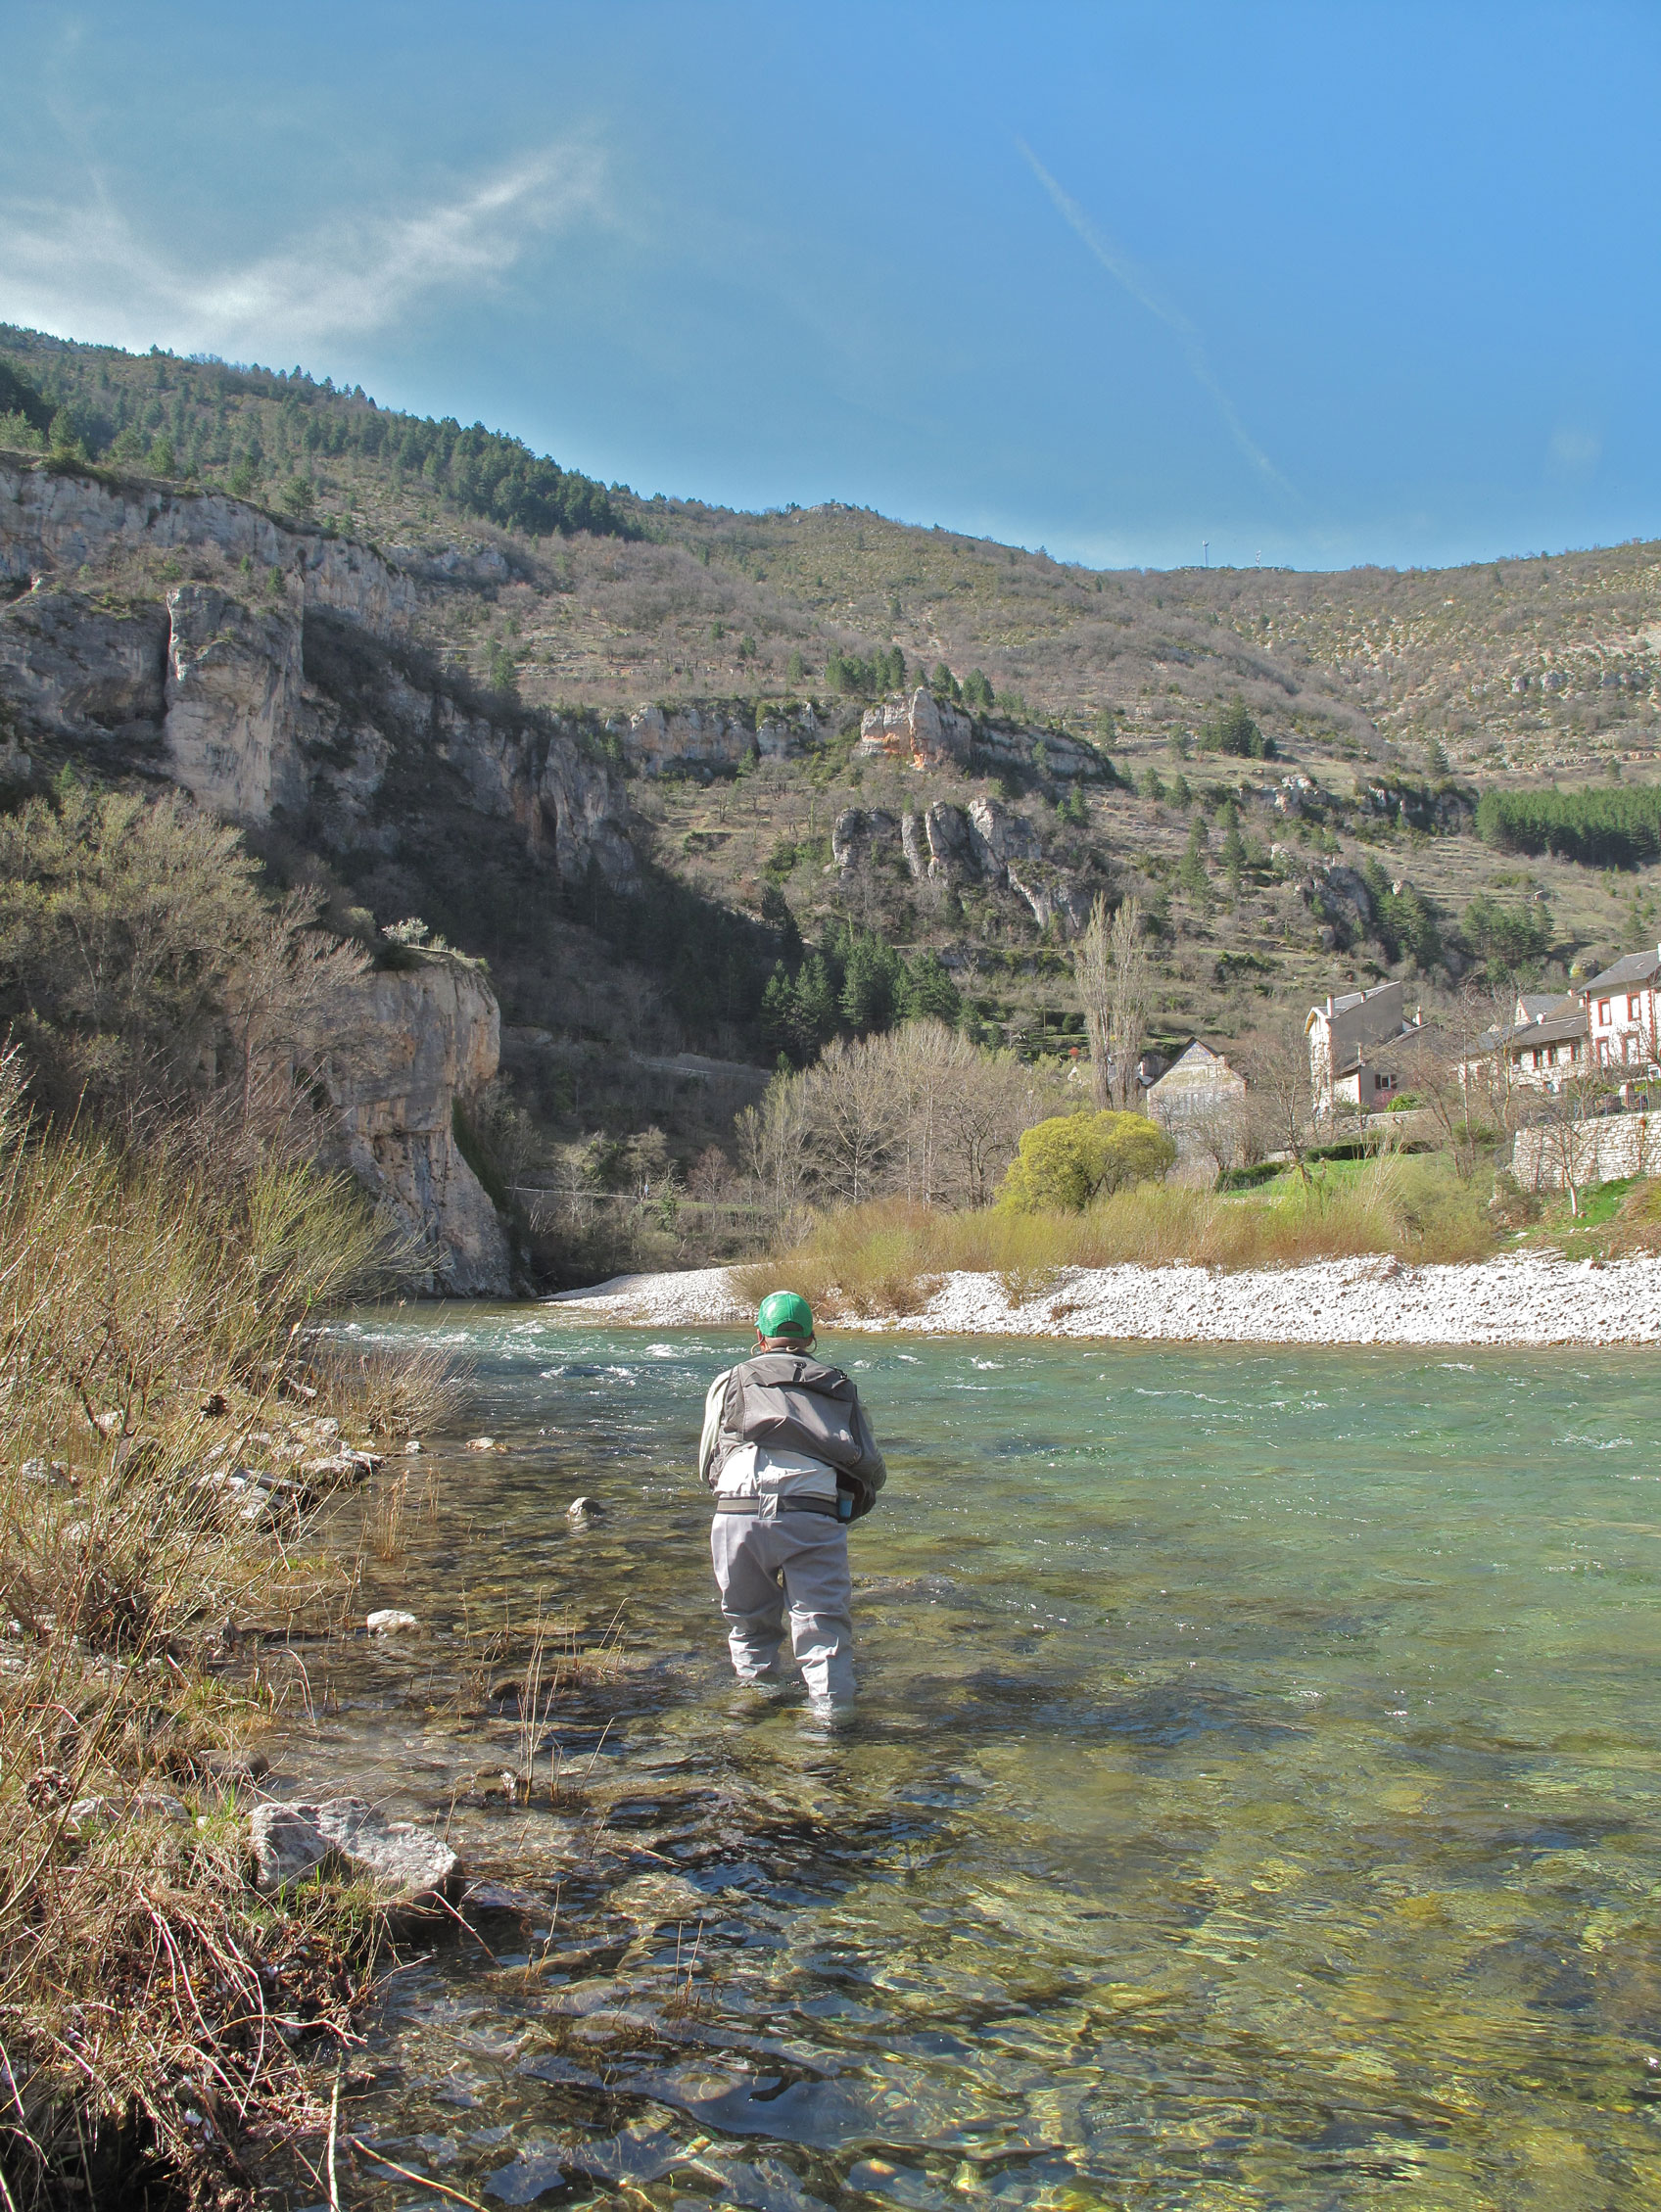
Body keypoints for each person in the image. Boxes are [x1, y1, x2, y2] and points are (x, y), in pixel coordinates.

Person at [697, 1292, 886, 1712]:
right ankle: (829, 1735)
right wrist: (848, 1507)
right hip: (812, 1508)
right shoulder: (840, 1386)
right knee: (823, 1633)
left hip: (737, 1504)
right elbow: (871, 1465)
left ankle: (756, 1718)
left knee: (749, 1627)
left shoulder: (731, 1379)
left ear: (759, 1337)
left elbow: (708, 1460)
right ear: (811, 1337)